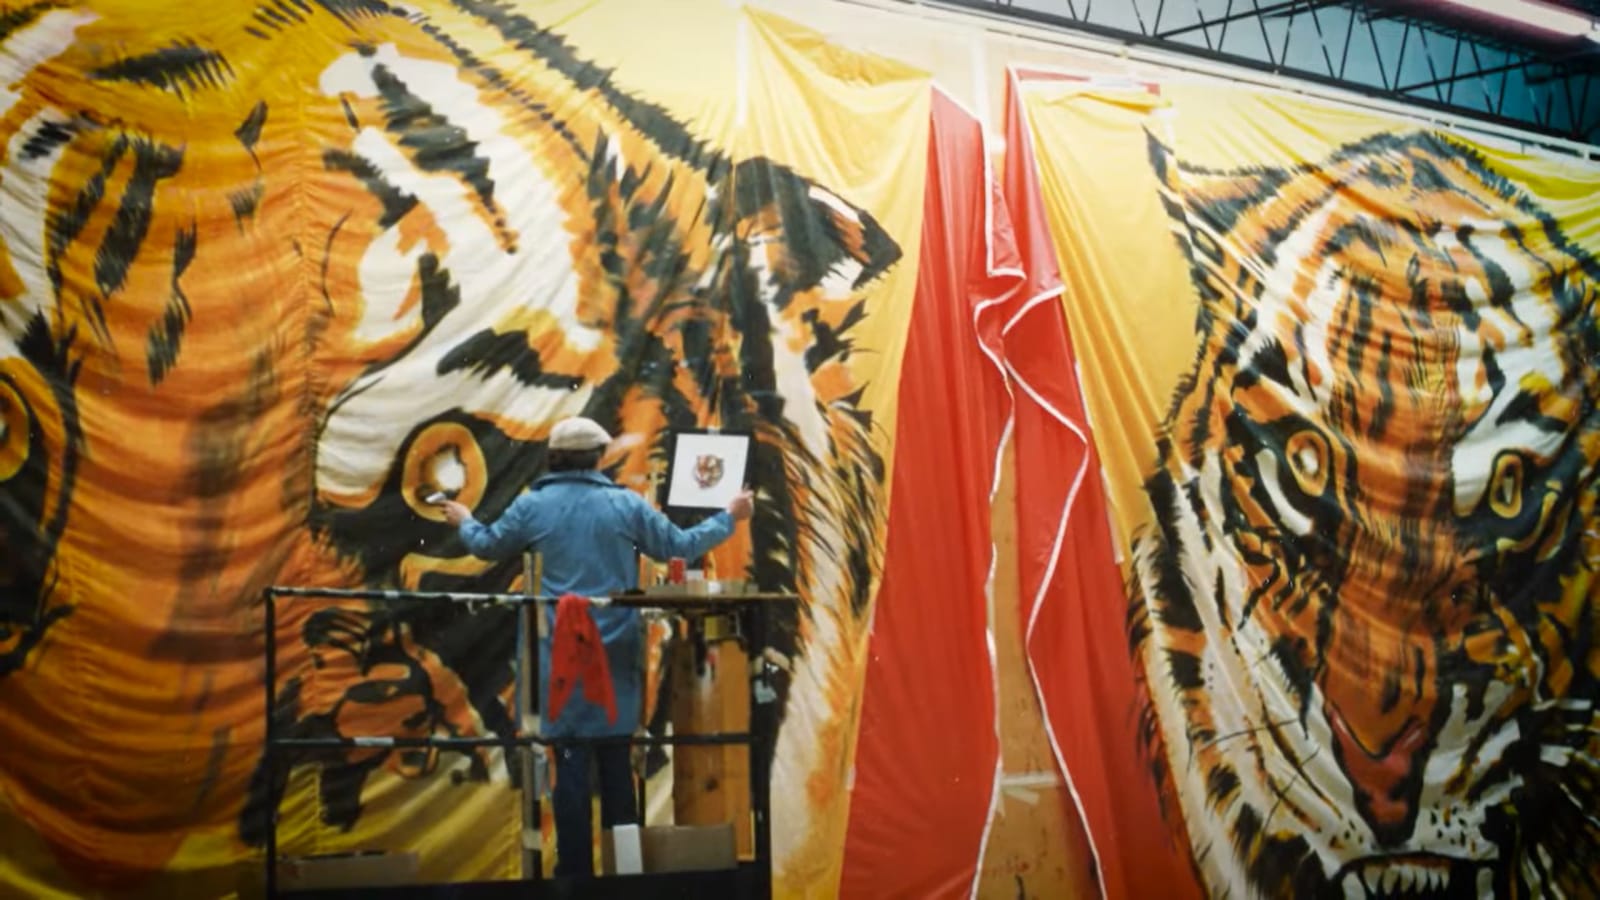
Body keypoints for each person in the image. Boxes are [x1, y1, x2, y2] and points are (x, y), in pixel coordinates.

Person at [440, 416, 753, 878]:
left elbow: (487, 545)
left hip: (561, 659)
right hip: (617, 656)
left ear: (554, 456)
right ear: (599, 457)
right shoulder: (623, 504)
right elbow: (679, 545)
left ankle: (574, 876)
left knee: (568, 759)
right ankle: (624, 873)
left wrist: (465, 521)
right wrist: (730, 515)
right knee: (615, 761)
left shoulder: (535, 506)